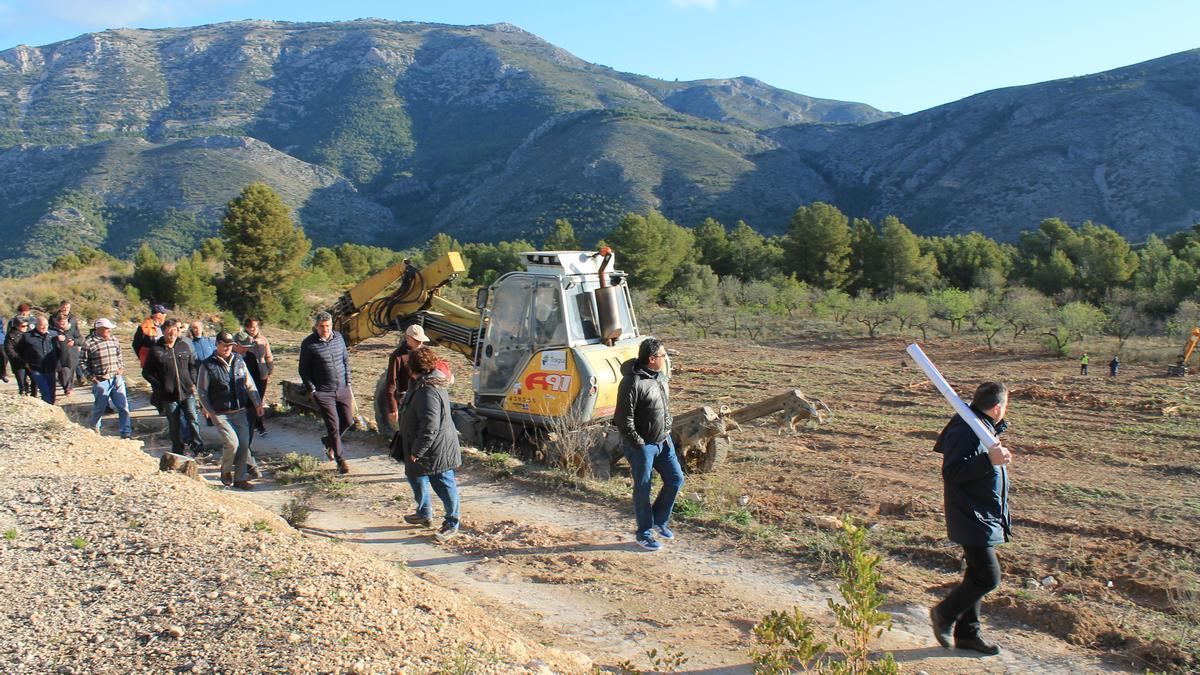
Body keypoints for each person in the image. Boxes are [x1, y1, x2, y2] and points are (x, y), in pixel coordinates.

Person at [929, 381, 1012, 656]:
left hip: (981, 513)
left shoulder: (978, 424)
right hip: (971, 514)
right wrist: (990, 460)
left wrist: (994, 446)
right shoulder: (966, 428)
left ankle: (968, 635)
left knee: (976, 574)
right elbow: (952, 473)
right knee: (989, 577)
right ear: (998, 407)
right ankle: (944, 613)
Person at [614, 338, 684, 552]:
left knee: (676, 479)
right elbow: (622, 418)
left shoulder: (660, 377)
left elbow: (665, 406)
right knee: (643, 488)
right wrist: (639, 442)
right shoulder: (632, 382)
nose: (666, 359)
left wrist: (668, 427)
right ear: (652, 359)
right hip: (643, 446)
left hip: (664, 441)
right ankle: (643, 533)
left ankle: (659, 521)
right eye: (663, 356)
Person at [397, 346, 462, 540]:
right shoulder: (419, 383)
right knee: (415, 476)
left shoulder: (429, 391)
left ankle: (452, 522)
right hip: (422, 443)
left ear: (413, 367)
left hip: (435, 448)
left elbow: (430, 427)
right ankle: (424, 513)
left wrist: (417, 450)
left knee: (443, 482)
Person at [196, 331, 263, 490]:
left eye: (230, 345)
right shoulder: (207, 365)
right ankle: (225, 471)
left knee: (244, 444)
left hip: (239, 411)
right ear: (217, 344)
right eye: (224, 345)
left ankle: (240, 478)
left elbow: (249, 384)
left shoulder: (239, 361)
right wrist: (209, 410)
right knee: (232, 443)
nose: (227, 348)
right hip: (220, 413)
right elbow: (202, 390)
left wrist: (258, 403)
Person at [298, 311, 353, 475]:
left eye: (328, 326)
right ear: (316, 327)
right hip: (323, 392)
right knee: (333, 426)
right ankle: (340, 460)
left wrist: (348, 381)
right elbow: (303, 369)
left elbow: (345, 360)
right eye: (321, 326)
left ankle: (328, 441)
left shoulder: (339, 338)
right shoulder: (309, 344)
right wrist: (312, 389)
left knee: (348, 421)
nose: (325, 329)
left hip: (342, 388)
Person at [143, 319, 203, 456]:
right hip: (168, 395)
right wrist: (160, 385)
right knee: (174, 424)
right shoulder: (155, 350)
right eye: (169, 330)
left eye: (175, 330)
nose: (172, 333)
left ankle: (198, 448)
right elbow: (146, 372)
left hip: (187, 392)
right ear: (163, 331)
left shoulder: (184, 346)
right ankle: (178, 451)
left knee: (193, 419)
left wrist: (193, 381)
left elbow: (192, 366)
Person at [79, 318, 133, 439]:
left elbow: (119, 355)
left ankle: (126, 432)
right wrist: (91, 377)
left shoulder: (114, 340)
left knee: (123, 406)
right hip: (101, 380)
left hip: (116, 378)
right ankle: (94, 429)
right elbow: (82, 362)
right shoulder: (89, 343)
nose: (109, 331)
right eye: (107, 328)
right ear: (99, 329)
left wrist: (121, 367)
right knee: (100, 408)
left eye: (110, 329)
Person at [383, 325, 431, 433]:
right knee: (408, 434)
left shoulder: (425, 352)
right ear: (408, 338)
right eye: (417, 340)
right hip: (407, 401)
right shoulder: (397, 356)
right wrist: (392, 408)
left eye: (421, 341)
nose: (420, 343)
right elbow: (391, 383)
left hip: (425, 399)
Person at [233, 317, 274, 436]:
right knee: (246, 400)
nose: (254, 329)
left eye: (256, 327)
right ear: (246, 327)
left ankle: (258, 424)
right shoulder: (241, 338)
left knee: (258, 399)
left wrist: (269, 368)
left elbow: (268, 355)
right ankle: (252, 425)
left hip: (261, 373)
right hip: (245, 373)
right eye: (251, 327)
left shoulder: (263, 339)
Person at [20, 316, 60, 404]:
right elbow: (20, 350)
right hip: (36, 368)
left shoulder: (53, 335)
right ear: (36, 325)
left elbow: (59, 350)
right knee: (44, 390)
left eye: (46, 325)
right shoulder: (27, 336)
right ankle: (47, 409)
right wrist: (26, 363)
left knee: (51, 391)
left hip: (50, 367)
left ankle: (51, 407)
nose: (44, 327)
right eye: (41, 325)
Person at [51, 314, 80, 396]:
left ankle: (69, 387)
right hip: (59, 355)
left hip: (72, 354)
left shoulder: (72, 329)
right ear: (57, 322)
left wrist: (74, 342)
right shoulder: (53, 331)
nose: (64, 324)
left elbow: (80, 338)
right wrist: (56, 338)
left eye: (65, 322)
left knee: (71, 372)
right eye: (62, 322)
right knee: (63, 372)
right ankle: (67, 388)